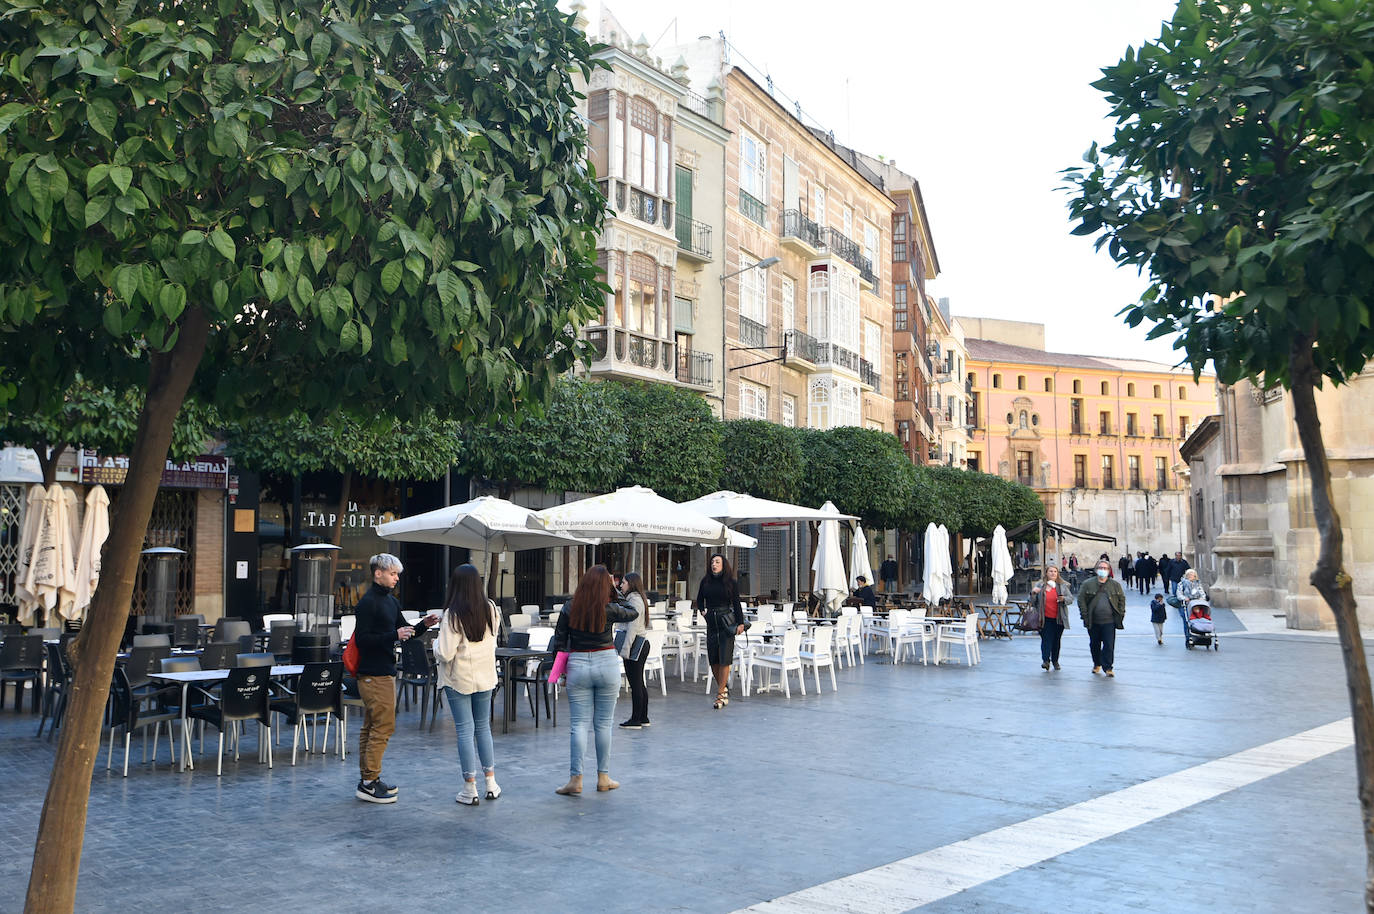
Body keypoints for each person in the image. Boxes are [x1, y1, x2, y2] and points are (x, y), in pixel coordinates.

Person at [353, 553, 438, 804]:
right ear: (378, 573)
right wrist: (393, 635)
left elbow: (405, 632)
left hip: (383, 672)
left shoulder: (390, 601)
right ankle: (369, 782)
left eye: (397, 574)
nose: (396, 578)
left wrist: (423, 625)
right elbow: (362, 640)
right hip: (373, 673)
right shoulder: (368, 603)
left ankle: (369, 779)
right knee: (382, 727)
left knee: (372, 727)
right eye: (392, 574)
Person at [551, 564, 638, 796]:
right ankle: (603, 777)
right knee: (603, 724)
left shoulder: (569, 607)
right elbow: (633, 610)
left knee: (578, 725)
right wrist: (615, 592)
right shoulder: (609, 607)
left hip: (578, 664)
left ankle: (575, 779)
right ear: (606, 586)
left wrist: (559, 672)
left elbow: (559, 642)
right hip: (606, 662)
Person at [435, 563, 501, 806]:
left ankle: (469, 787)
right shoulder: (491, 609)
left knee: (464, 729)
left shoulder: (453, 614)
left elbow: (444, 653)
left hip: (459, 678)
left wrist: (433, 645)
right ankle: (491, 783)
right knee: (483, 727)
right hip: (485, 676)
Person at [696, 553, 747, 710]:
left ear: (723, 564)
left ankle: (720, 695)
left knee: (725, 657)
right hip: (712, 621)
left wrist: (740, 623)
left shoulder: (731, 582)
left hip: (726, 621)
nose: (714, 564)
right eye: (712, 562)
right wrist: (704, 613)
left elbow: (736, 603)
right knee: (713, 659)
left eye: (717, 562)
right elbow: (699, 600)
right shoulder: (706, 581)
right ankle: (723, 689)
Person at [1078, 559, 1126, 678]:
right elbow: (1081, 599)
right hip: (1093, 620)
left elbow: (1121, 599)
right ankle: (1097, 663)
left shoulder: (1115, 585)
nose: (1102, 570)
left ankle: (1108, 667)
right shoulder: (1088, 584)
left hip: (1109, 621)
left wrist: (1121, 612)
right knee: (1094, 644)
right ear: (1096, 570)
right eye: (1100, 568)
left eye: (1105, 568)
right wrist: (1084, 614)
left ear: (1109, 571)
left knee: (1109, 645)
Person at [617, 571, 650, 730]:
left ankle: (636, 719)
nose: (620, 585)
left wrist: (626, 649)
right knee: (639, 682)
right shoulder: (634, 599)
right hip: (639, 644)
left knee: (635, 682)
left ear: (631, 584)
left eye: (623, 583)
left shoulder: (635, 601)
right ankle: (643, 716)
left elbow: (632, 628)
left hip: (635, 644)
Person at [1030, 564, 1070, 671]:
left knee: (1056, 641)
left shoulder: (1062, 585)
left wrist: (1063, 599)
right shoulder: (1040, 585)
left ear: (1057, 574)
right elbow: (1032, 602)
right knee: (1046, 640)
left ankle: (1055, 661)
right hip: (1044, 618)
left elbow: (1070, 599)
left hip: (1058, 618)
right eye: (1051, 571)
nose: (1053, 573)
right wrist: (1033, 593)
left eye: (1055, 571)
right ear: (1046, 573)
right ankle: (1046, 661)